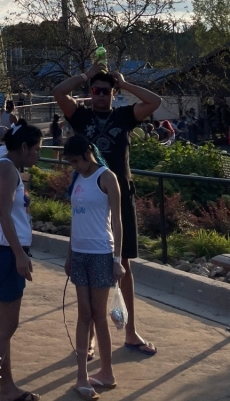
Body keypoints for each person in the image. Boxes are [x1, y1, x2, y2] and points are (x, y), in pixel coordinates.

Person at [53, 63, 161, 355]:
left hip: (120, 195)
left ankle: (130, 331)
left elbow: (154, 102)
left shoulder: (125, 116)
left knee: (123, 263)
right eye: (95, 90)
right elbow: (59, 92)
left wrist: (124, 84)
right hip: (89, 196)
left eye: (106, 91)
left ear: (113, 93)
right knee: (89, 263)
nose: (100, 95)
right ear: (90, 92)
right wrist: (86, 75)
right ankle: (88, 337)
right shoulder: (81, 115)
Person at [0, 121, 42, 401]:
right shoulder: (5, 170)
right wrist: (19, 255)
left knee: (2, 330)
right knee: (5, 330)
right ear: (23, 147)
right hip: (3, 254)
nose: (38, 155)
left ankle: (7, 388)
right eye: (36, 149)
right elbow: (4, 214)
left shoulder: (5, 167)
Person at [63, 135, 124, 397]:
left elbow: (118, 221)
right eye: (71, 162)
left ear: (88, 153)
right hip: (79, 252)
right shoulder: (78, 178)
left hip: (101, 252)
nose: (74, 166)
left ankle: (107, 372)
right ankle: (82, 375)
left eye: (76, 160)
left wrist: (117, 259)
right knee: (84, 313)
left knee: (98, 314)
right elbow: (74, 219)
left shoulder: (106, 177)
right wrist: (69, 255)